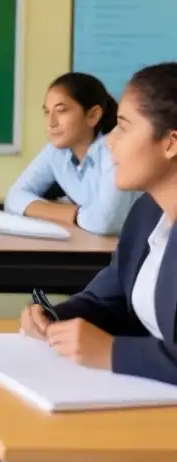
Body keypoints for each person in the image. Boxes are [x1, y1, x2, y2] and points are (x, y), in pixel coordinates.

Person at [21, 62, 177, 385]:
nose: (108, 141)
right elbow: (109, 296)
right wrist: (57, 318)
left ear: (171, 143)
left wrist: (111, 352)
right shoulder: (147, 213)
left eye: (122, 126)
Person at [4, 72, 140, 235]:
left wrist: (60, 211)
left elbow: (104, 222)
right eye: (47, 112)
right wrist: (72, 213)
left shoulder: (114, 150)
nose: (51, 123)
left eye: (61, 111)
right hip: (92, 244)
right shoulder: (55, 151)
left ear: (93, 116)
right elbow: (13, 197)